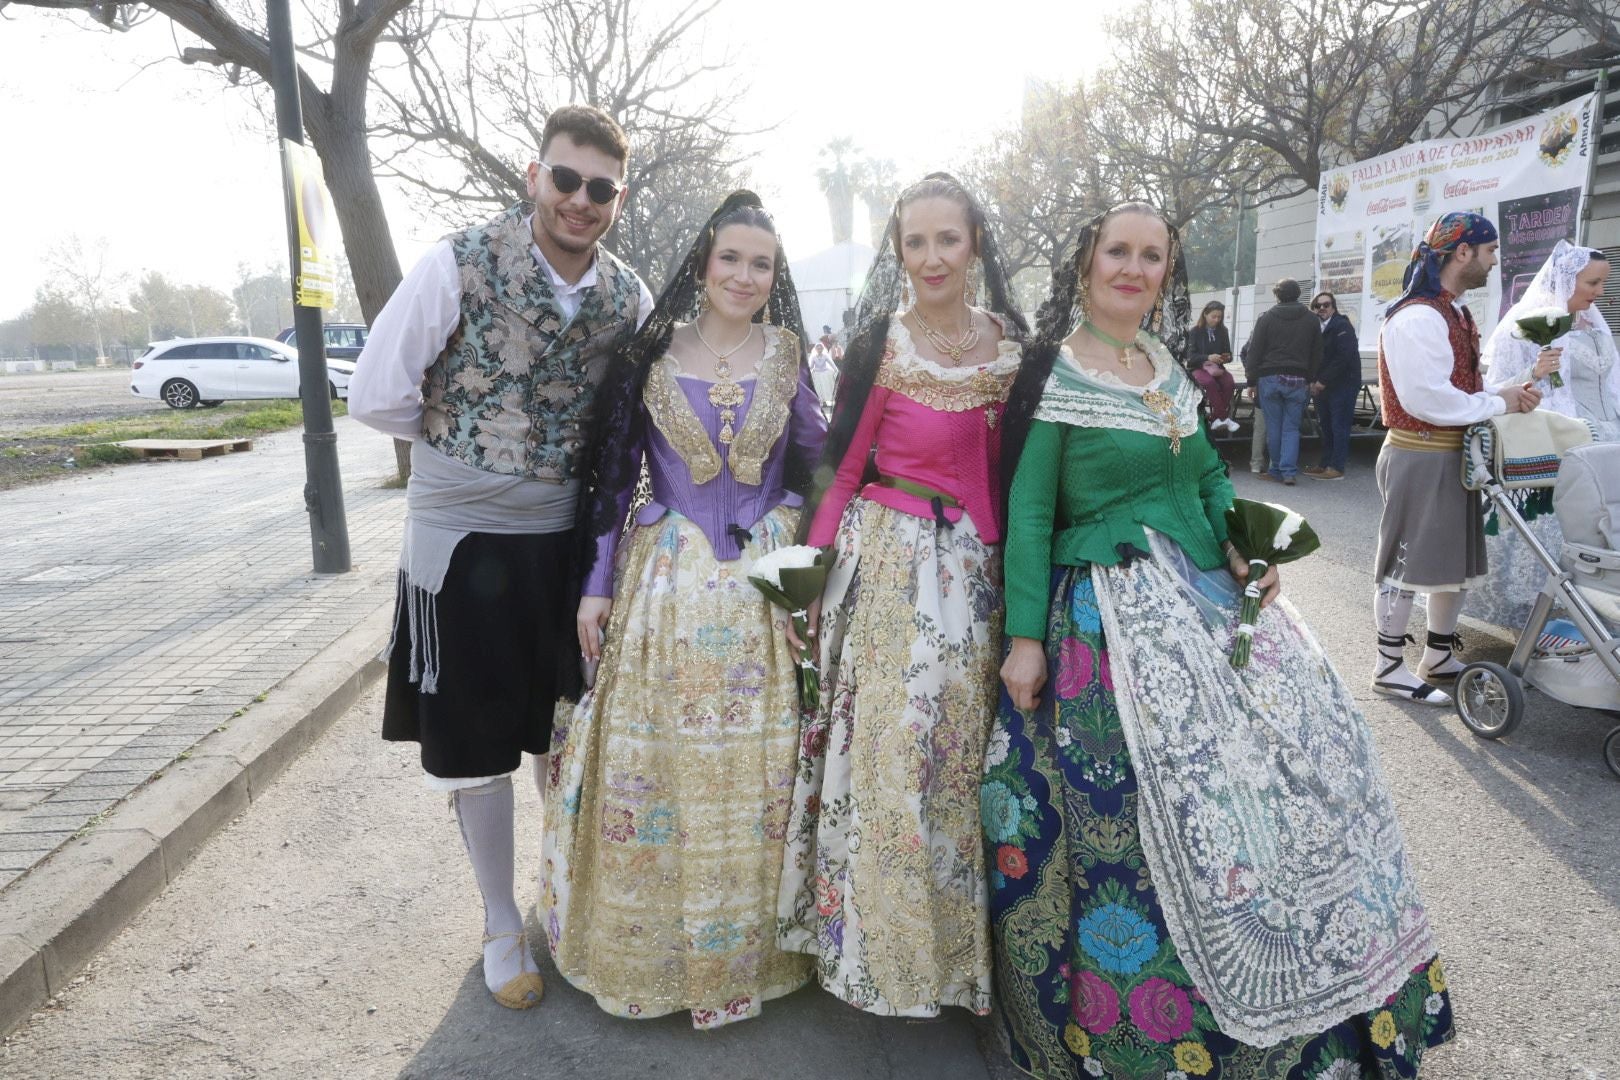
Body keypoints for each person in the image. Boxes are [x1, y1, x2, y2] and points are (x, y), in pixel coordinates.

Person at [991, 200, 1455, 1078]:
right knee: (1164, 797)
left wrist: (1246, 548)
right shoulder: (1054, 371)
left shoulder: (1163, 362)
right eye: (1116, 251)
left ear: (1169, 270)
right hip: (1108, 602)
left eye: (1151, 255)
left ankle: (1339, 989)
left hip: (1206, 589)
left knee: (1321, 749)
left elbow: (1205, 471)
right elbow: (1028, 510)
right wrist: (1026, 638)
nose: (1133, 268)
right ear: (1086, 262)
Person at [347, 104, 653, 1010]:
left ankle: (566, 901)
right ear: (534, 176)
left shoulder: (628, 295)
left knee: (566, 727)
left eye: (600, 188)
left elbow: (628, 418)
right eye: (565, 179)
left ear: (617, 197)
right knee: (477, 734)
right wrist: (465, 456)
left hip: (566, 544)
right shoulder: (458, 262)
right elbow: (377, 392)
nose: (579, 200)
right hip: (464, 541)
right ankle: (498, 920)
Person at [542, 192, 826, 1028]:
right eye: (731, 258)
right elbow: (613, 475)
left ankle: (754, 953)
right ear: (703, 261)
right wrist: (596, 582)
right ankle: (650, 952)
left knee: (760, 767)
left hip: (762, 583)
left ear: (776, 277)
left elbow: (816, 464)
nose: (744, 275)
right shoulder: (651, 355)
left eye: (761, 263)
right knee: (658, 763)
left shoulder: (790, 355)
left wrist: (807, 561)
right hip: (665, 582)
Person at [776, 173, 1029, 1017]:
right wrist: (812, 576)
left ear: (975, 245)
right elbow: (843, 467)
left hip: (979, 578)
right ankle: (882, 955)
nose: (931, 258)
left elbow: (1023, 478)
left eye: (946, 240)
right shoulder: (881, 342)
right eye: (914, 243)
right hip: (890, 570)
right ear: (899, 252)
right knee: (893, 754)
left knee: (962, 763)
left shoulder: (1012, 348)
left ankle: (961, 959)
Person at [1372, 212, 1540, 703]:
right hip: (1419, 452)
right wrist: (1498, 402)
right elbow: (1429, 400)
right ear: (1461, 252)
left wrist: (1502, 392)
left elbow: (1461, 387)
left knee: (1452, 564)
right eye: (1488, 251)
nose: (1492, 261)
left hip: (1451, 454)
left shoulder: (1453, 311)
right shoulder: (1418, 315)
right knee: (1403, 565)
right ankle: (1387, 667)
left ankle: (1438, 653)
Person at [1468, 241, 1616, 629]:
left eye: (1603, 283)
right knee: (1554, 526)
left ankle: (1597, 604)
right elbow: (1498, 391)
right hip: (1558, 439)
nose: (1600, 292)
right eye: (1593, 283)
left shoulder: (1594, 324)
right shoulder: (1525, 327)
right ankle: (1539, 609)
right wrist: (1534, 372)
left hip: (1604, 435)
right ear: (1567, 280)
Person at [1242, 278, 1322, 484]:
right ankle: (1288, 472)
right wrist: (1311, 378)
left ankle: (1277, 470)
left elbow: (1254, 351)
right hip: (1298, 378)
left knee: (1274, 426)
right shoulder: (1312, 319)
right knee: (1292, 428)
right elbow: (1317, 353)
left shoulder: (1266, 318)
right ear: (1298, 294)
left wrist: (1251, 381)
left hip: (1269, 377)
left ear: (1277, 295)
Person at [1304, 292, 1361, 479]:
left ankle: (1337, 467)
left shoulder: (1342, 326)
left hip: (1343, 385)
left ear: (1333, 307)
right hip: (1323, 386)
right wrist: (1313, 380)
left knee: (1339, 426)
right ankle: (1324, 464)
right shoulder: (1316, 328)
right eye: (1317, 306)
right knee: (1326, 426)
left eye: (1326, 305)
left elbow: (1343, 358)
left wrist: (1322, 381)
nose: (1322, 309)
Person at [1187, 300, 1238, 433]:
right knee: (1209, 383)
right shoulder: (1195, 331)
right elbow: (1190, 357)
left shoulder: (1223, 331)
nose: (1216, 320)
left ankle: (1215, 418)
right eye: (1213, 316)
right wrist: (1207, 357)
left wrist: (1226, 357)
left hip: (1217, 368)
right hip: (1198, 368)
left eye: (1219, 317)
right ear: (1205, 314)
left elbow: (1229, 354)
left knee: (1229, 382)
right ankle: (1223, 418)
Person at [809, 340, 840, 408]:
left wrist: (836, 370)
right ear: (816, 349)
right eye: (818, 348)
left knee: (827, 387)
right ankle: (821, 401)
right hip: (817, 374)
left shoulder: (825, 356)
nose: (819, 349)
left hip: (825, 373)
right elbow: (811, 366)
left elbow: (832, 364)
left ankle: (829, 400)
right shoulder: (814, 357)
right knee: (819, 387)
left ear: (822, 349)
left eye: (820, 348)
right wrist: (808, 372)